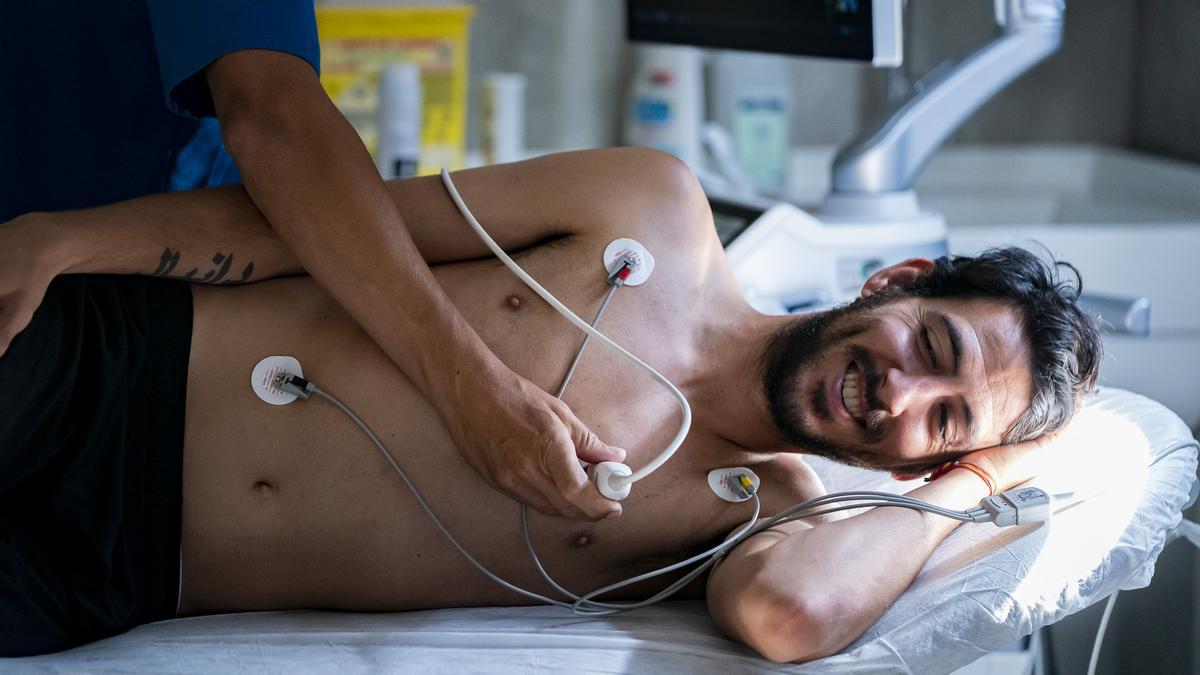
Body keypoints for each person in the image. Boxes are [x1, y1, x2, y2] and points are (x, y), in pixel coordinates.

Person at [0, 149, 1101, 661]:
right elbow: (329, 218)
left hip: (112, 572)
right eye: (934, 343)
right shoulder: (650, 213)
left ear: (914, 467)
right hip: (103, 364)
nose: (901, 389)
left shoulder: (756, 512)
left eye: (944, 417)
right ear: (898, 279)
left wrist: (977, 479)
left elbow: (793, 618)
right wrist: (66, 238)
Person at [0, 1, 624, 527]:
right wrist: (470, 388)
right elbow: (271, 118)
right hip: (60, 317)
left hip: (134, 536)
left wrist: (67, 238)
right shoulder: (647, 197)